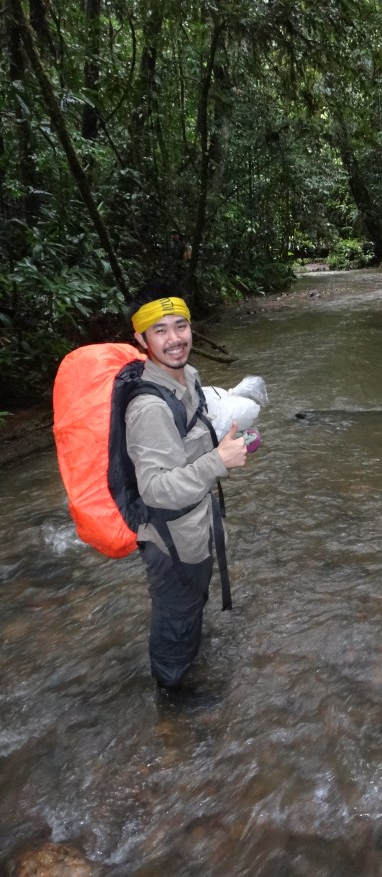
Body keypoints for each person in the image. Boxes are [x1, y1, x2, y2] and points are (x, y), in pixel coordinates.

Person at [125, 281, 247, 695]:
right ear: (140, 338)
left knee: (189, 610)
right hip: (170, 542)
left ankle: (187, 662)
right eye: (160, 331)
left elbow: (190, 444)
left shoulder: (186, 378)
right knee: (174, 622)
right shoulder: (150, 407)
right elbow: (155, 489)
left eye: (180, 325)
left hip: (197, 527)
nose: (175, 339)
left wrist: (225, 445)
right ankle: (171, 701)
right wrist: (219, 461)